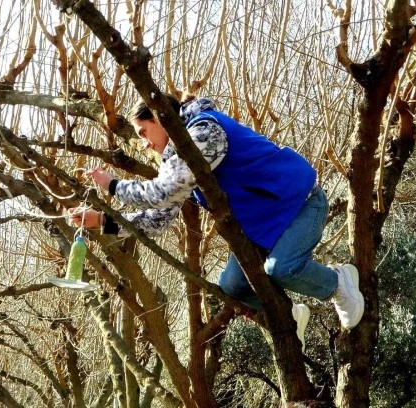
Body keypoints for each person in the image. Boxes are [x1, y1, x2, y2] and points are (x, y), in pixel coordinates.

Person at [69, 94, 364, 347]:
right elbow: (158, 219)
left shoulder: (204, 131)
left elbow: (164, 192)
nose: (144, 143)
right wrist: (102, 221)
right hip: (262, 226)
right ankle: (288, 316)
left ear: (160, 118)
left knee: (281, 268)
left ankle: (338, 283)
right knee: (233, 286)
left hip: (300, 203)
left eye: (143, 132)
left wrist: (114, 186)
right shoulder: (176, 160)